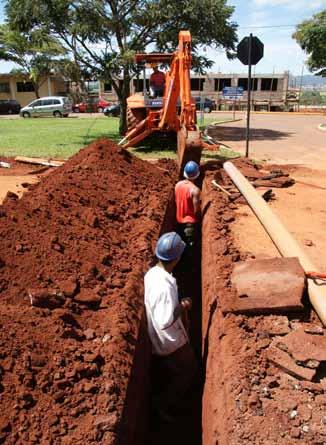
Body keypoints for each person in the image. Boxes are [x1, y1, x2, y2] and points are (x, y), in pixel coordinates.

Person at [144, 232, 197, 421]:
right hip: (170, 343)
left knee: (175, 370)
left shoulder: (153, 273)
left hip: (162, 340)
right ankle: (164, 404)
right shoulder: (164, 288)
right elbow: (165, 320)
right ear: (177, 258)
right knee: (189, 370)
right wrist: (183, 306)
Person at [175, 161, 201, 249]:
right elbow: (196, 210)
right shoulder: (195, 190)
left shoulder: (177, 185)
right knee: (190, 247)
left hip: (178, 221)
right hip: (190, 224)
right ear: (197, 174)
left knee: (181, 244)